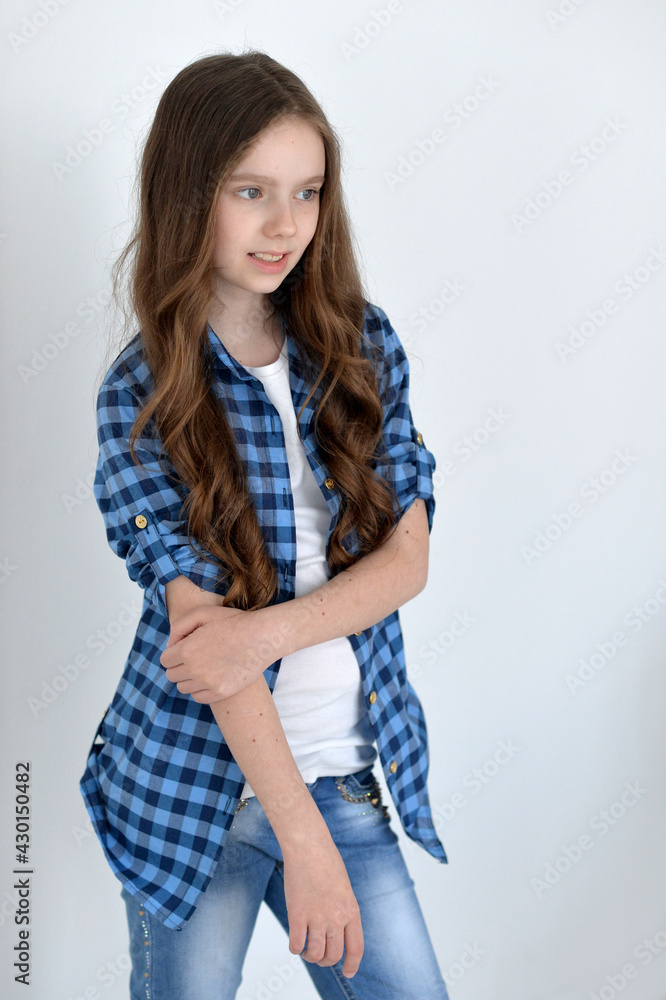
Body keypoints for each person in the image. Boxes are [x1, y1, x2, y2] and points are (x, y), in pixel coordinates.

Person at [79, 49, 450, 1000]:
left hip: (345, 774)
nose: (286, 224)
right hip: (192, 796)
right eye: (251, 191)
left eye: (307, 191)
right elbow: (205, 643)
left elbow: (405, 562)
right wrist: (300, 839)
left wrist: (266, 634)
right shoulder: (141, 396)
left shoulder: (362, 347)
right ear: (187, 192)